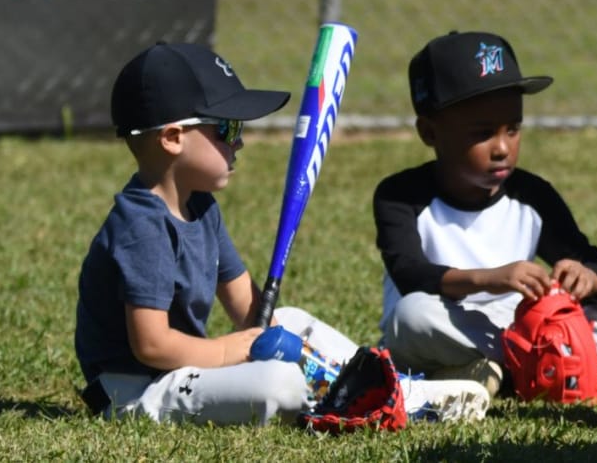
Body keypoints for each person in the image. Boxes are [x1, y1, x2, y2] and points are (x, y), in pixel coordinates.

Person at [75, 43, 487, 425]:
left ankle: (393, 389)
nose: (241, 142)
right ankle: (344, 398)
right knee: (279, 385)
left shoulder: (200, 206)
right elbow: (152, 346)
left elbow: (250, 311)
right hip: (134, 389)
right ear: (172, 138)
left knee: (290, 320)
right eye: (228, 128)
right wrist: (228, 351)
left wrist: (278, 336)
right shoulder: (141, 227)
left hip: (180, 368)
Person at [375, 31, 597, 389]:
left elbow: (594, 264)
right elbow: (410, 274)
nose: (502, 147)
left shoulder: (533, 194)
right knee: (411, 316)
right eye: (483, 133)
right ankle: (543, 364)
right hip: (445, 322)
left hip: (517, 324)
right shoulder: (400, 195)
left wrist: (587, 276)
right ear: (429, 132)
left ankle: (496, 370)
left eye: (513, 129)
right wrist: (491, 277)